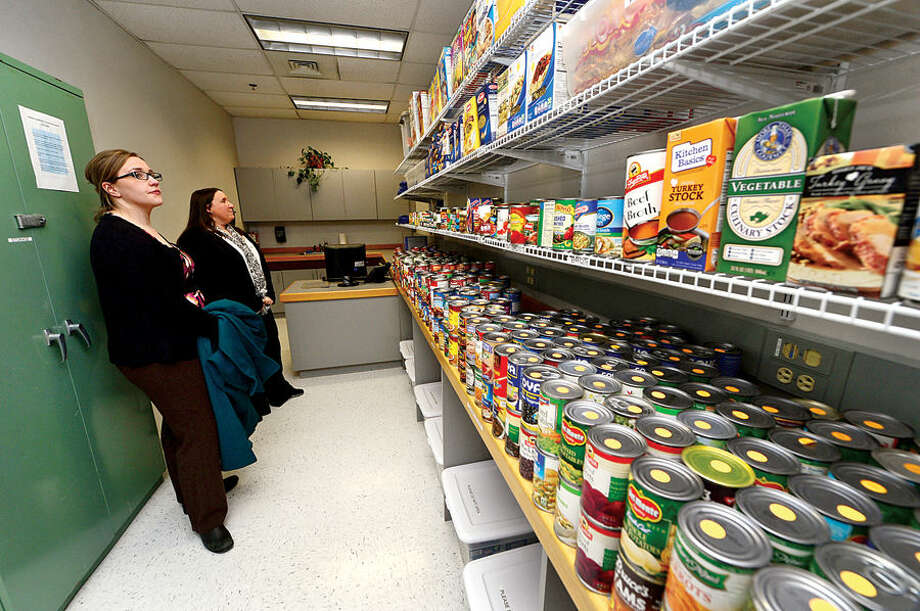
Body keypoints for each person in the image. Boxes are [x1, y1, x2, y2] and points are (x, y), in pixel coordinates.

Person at [86, 149, 235, 554]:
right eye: (138, 174)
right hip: (155, 351)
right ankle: (210, 520)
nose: (153, 179)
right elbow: (158, 303)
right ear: (111, 188)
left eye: (152, 172)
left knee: (180, 424)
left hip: (172, 342)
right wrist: (211, 323)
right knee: (197, 428)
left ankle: (196, 489)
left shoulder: (142, 228)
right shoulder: (115, 237)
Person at [177, 188, 303, 407]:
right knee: (248, 355)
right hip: (237, 310)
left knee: (271, 345)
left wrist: (268, 294)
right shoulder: (195, 238)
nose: (231, 204)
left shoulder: (237, 233)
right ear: (208, 208)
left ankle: (277, 388)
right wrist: (253, 301)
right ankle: (258, 398)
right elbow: (212, 280)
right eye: (223, 200)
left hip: (261, 304)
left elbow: (259, 264)